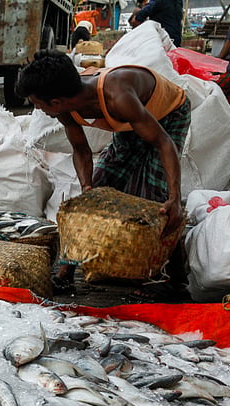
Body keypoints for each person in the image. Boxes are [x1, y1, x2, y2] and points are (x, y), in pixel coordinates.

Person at [16, 50, 189, 289]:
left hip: (168, 116)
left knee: (158, 203)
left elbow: (163, 142)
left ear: (54, 101)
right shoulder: (65, 108)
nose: (39, 110)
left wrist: (175, 198)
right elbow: (81, 150)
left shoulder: (117, 97)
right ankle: (66, 271)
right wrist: (87, 187)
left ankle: (175, 278)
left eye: (37, 104)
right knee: (97, 195)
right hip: (130, 124)